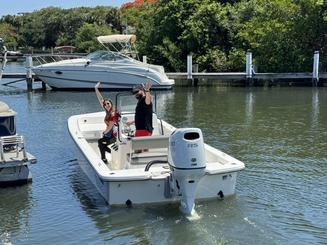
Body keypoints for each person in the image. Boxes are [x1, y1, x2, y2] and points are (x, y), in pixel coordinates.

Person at [95, 82, 118, 163]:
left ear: (111, 104)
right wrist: (96, 89)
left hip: (114, 136)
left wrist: (104, 132)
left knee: (100, 143)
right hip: (109, 134)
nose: (106, 105)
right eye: (105, 104)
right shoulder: (107, 111)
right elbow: (101, 99)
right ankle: (104, 158)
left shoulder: (113, 113)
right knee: (101, 144)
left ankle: (111, 156)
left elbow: (111, 126)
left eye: (108, 103)